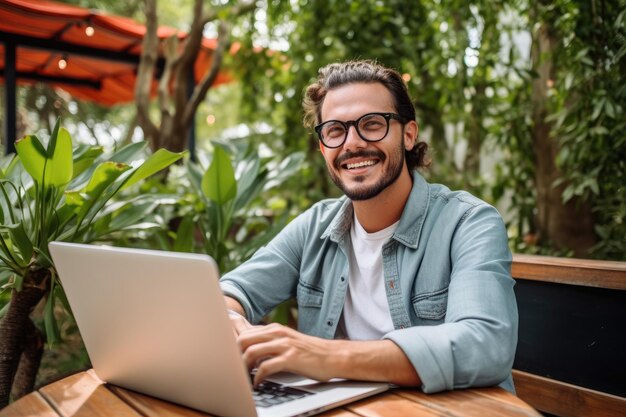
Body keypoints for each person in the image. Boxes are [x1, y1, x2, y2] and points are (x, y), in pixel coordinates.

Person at [220, 60, 518, 394]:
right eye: (335, 130)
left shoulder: (468, 223)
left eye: (372, 124)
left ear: (408, 135)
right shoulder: (314, 227)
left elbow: (485, 344)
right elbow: (229, 293)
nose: (351, 143)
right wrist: (234, 326)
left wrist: (325, 356)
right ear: (323, 147)